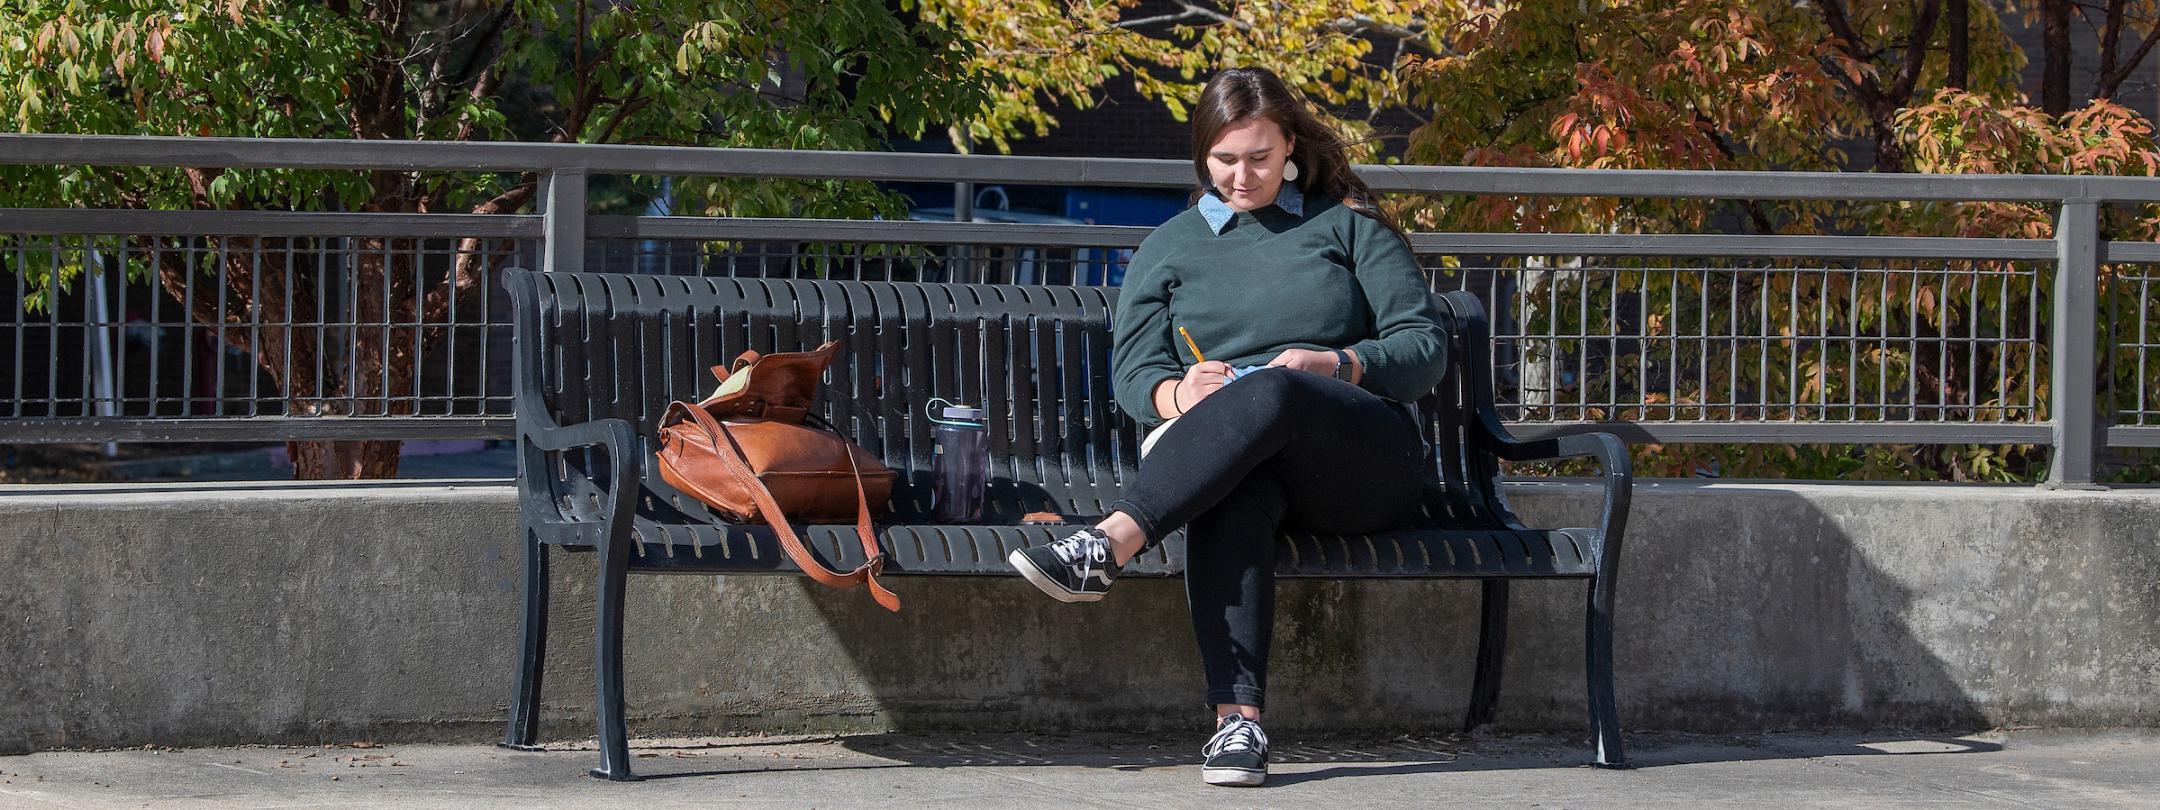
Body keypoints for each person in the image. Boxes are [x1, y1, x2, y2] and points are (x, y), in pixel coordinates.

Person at [1006, 66, 1449, 787]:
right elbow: (1134, 378)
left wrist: (1335, 364)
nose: (1242, 177)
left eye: (1260, 158)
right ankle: (1237, 727)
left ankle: (1109, 543)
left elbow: (1422, 350)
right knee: (1230, 488)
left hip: (1360, 466)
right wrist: (1181, 393)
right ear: (1202, 157)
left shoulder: (1347, 228)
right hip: (1231, 461)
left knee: (1276, 389)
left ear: (1293, 151)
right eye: (1224, 160)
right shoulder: (1169, 247)